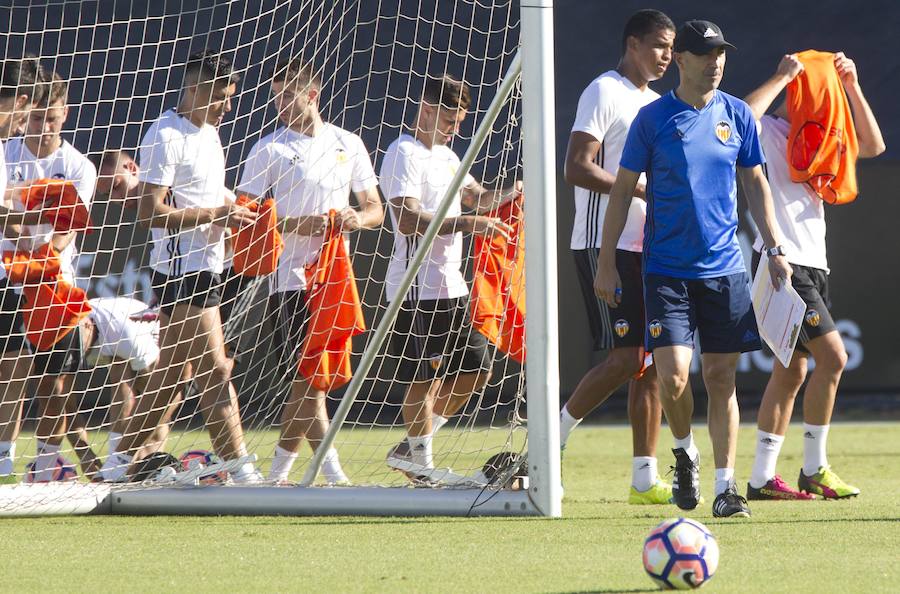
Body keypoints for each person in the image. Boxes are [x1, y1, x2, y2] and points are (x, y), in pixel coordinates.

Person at [595, 20, 793, 518]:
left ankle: (727, 489)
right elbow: (620, 193)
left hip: (725, 270)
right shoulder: (652, 119)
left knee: (722, 376)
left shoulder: (738, 116)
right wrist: (605, 262)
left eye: (721, 54)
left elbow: (756, 184)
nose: (716, 63)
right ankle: (684, 451)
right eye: (705, 54)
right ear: (680, 60)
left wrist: (774, 247)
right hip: (665, 270)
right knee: (675, 378)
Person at [103, 50, 262, 483]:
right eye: (219, 97)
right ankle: (243, 472)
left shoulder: (210, 133)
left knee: (170, 378)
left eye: (230, 97)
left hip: (209, 265)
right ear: (193, 90)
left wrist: (239, 209)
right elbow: (150, 212)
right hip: (179, 271)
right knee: (216, 370)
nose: (227, 106)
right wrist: (216, 215)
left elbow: (205, 195)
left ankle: (116, 464)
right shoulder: (164, 134)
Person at [743, 52, 884, 500]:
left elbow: (874, 145)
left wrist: (853, 86)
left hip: (812, 263)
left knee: (791, 370)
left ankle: (763, 478)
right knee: (834, 358)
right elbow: (742, 114)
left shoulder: (823, 137)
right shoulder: (766, 131)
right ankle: (814, 468)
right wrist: (782, 76)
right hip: (781, 260)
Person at [237, 57, 383, 484]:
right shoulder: (269, 148)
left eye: (287, 95)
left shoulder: (348, 142)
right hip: (290, 280)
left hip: (335, 277)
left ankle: (330, 475)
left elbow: (375, 209)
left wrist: (356, 218)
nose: (280, 104)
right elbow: (244, 213)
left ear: (311, 95)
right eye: (275, 97)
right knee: (310, 379)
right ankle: (281, 475)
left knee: (316, 379)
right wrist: (289, 223)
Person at [561, 8, 675, 504]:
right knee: (627, 357)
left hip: (647, 248)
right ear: (632, 44)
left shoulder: (655, 103)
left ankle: (644, 478)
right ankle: (550, 441)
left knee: (648, 363)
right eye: (658, 45)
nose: (666, 56)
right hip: (600, 244)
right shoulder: (603, 90)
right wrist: (639, 188)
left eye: (671, 48)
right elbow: (577, 167)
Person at [379, 74, 519, 476]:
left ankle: (412, 446)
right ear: (425, 108)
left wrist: (513, 192)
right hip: (413, 287)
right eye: (448, 119)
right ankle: (421, 461)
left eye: (459, 121)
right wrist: (470, 224)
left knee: (478, 370)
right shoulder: (401, 152)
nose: (455, 129)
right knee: (422, 376)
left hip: (451, 287)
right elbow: (407, 220)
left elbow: (477, 198)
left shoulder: (449, 157)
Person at [1, 71, 97, 483]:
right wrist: (26, 218)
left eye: (52, 119)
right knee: (10, 368)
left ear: (66, 115)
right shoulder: (6, 154)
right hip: (8, 275)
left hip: (56, 281)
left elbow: (66, 231)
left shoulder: (79, 167)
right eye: (38, 118)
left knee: (55, 380)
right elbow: (5, 223)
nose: (44, 127)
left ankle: (44, 466)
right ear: (26, 116)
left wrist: (25, 218)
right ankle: (3, 458)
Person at [0, 55, 45, 484]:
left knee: (15, 360)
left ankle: (3, 459)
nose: (25, 125)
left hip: (5, 274)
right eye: (29, 115)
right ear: (22, 101)